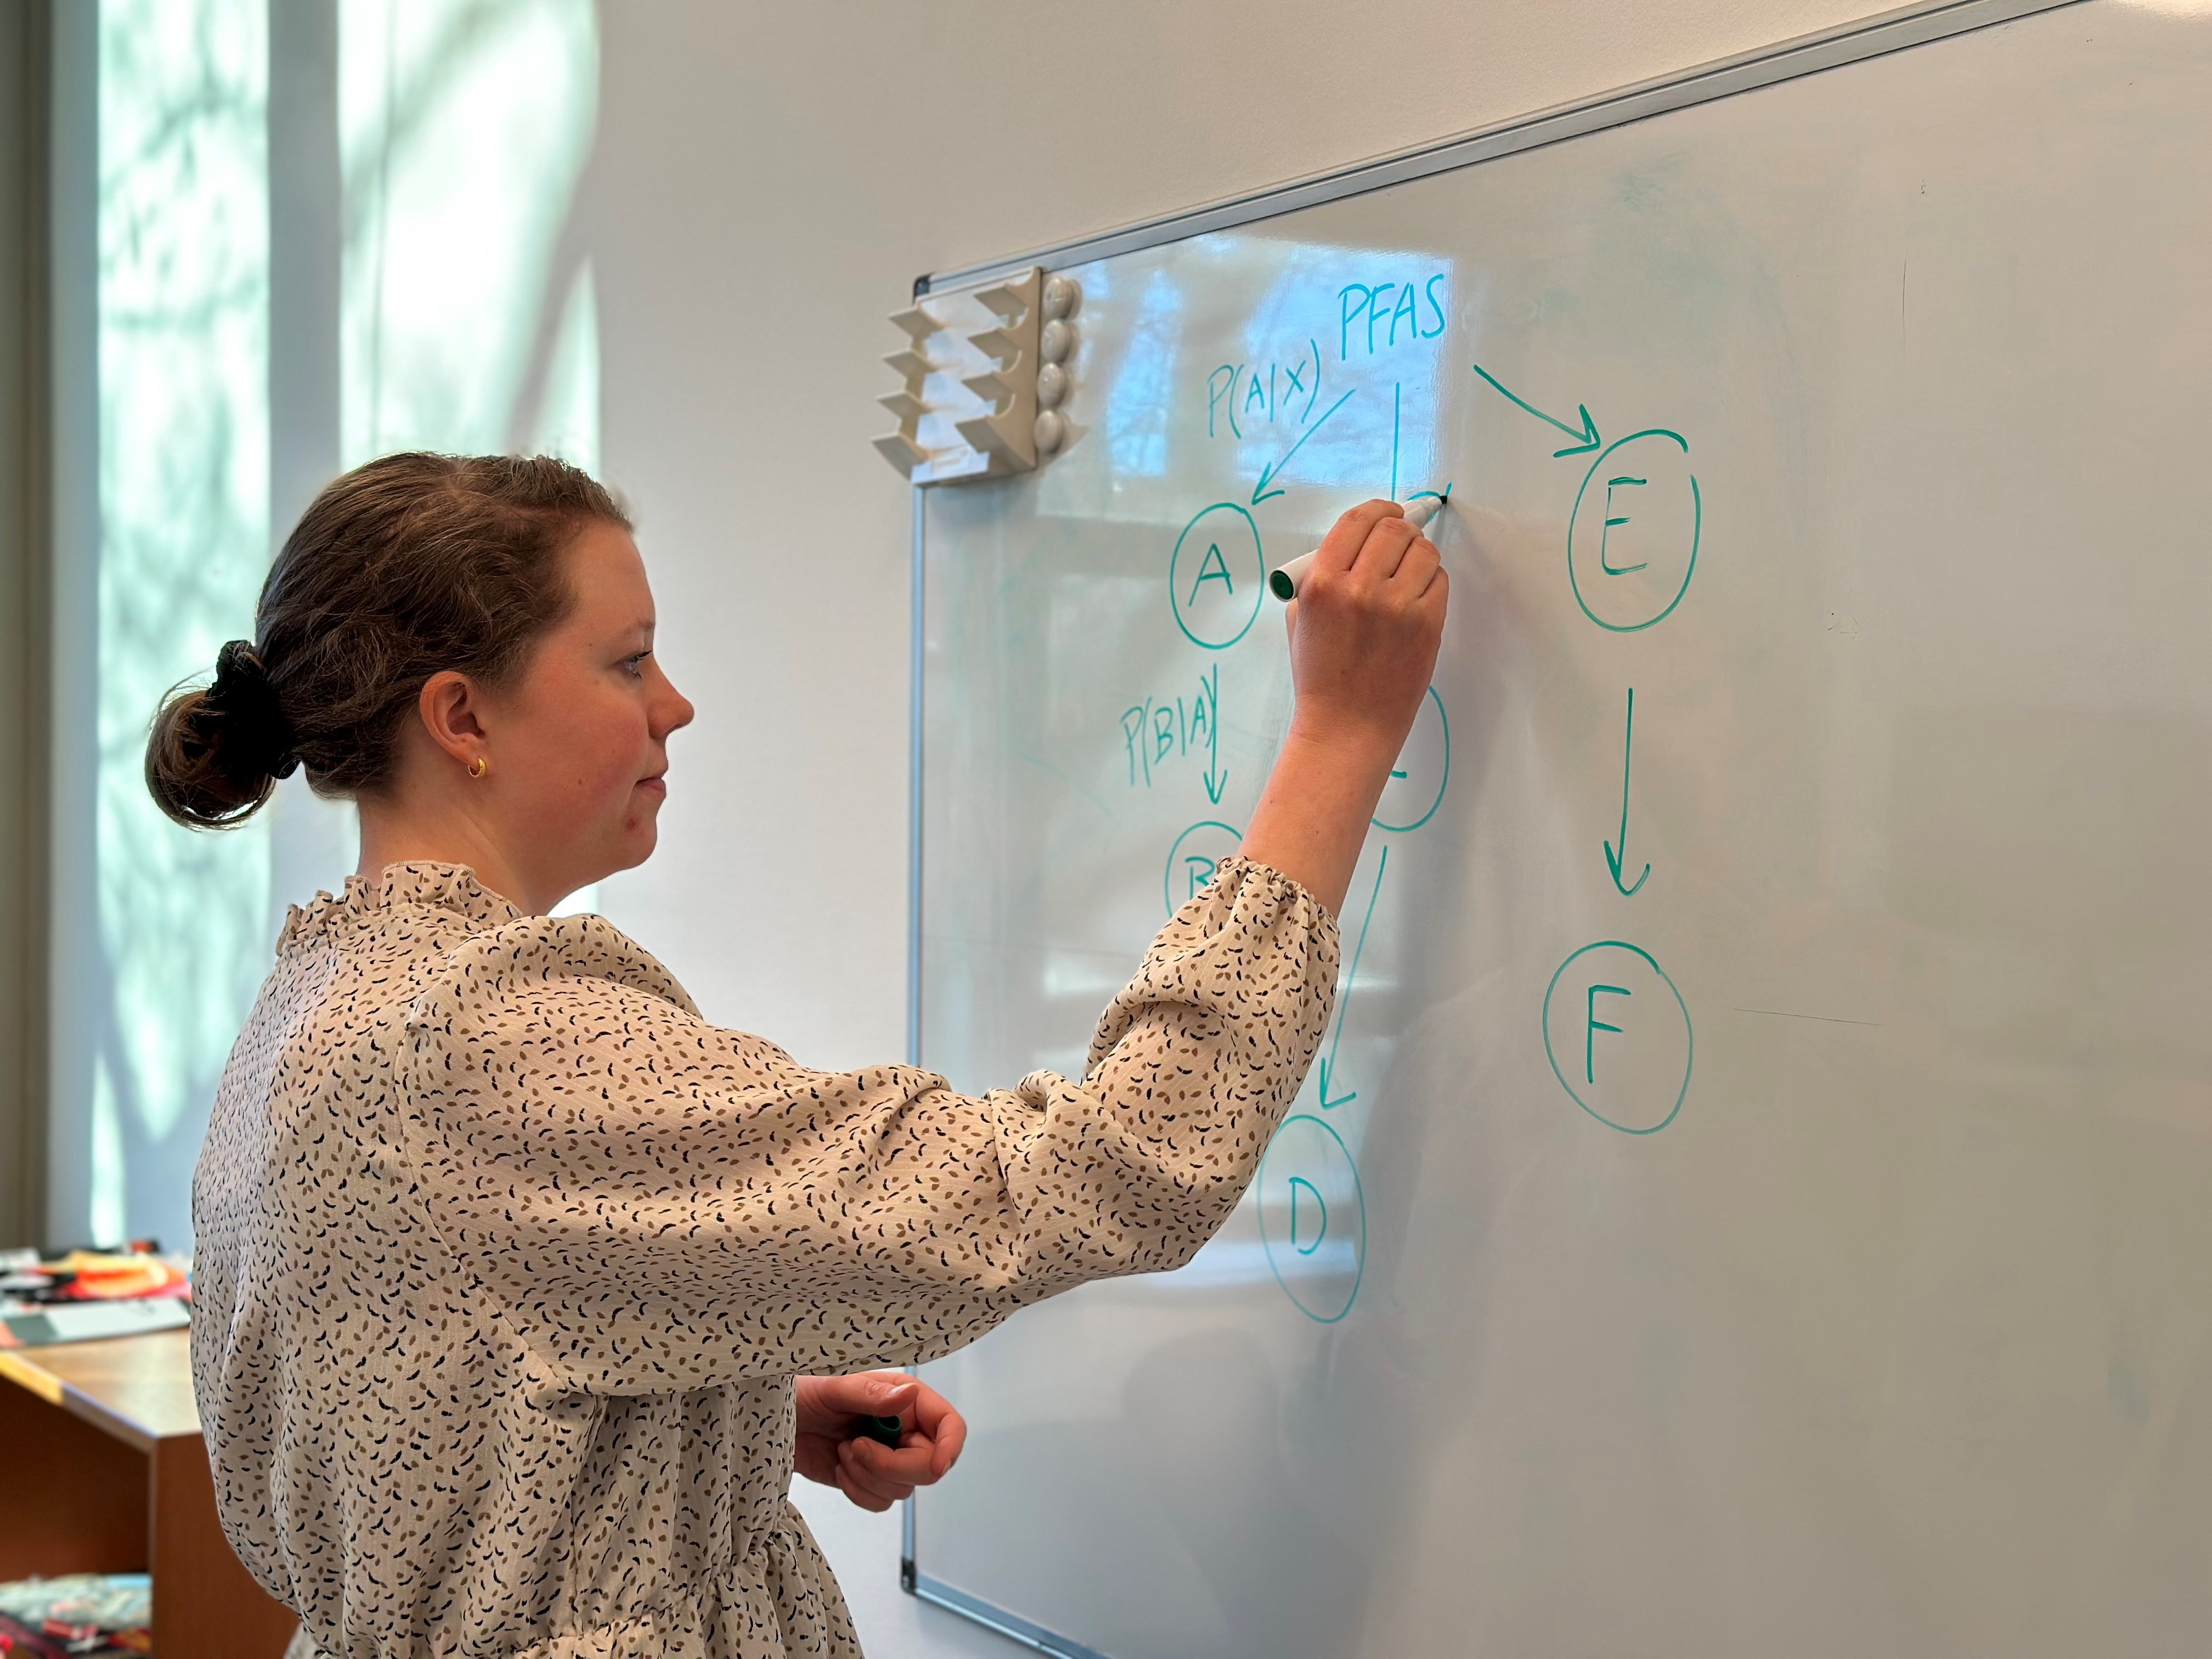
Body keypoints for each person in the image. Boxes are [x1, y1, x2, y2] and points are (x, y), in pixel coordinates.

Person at [151, 453, 1446, 1659]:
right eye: (629, 663)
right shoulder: (491, 1039)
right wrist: (1338, 736)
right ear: (462, 718)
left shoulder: (329, 995)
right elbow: (1106, 1171)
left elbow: (434, 1406)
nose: (677, 705)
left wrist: (732, 1421)